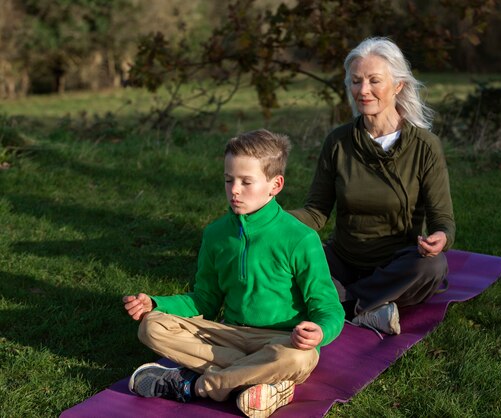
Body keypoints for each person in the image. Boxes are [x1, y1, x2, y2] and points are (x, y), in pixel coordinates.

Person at [122, 129, 344, 418]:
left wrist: (320, 331)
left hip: (281, 341)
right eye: (229, 180)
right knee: (152, 326)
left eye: (246, 182)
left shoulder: (300, 239)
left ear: (275, 185)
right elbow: (204, 301)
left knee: (302, 357)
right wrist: (156, 303)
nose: (234, 190)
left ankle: (195, 385)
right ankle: (258, 380)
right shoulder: (216, 235)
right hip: (228, 334)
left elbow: (328, 309)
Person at [289, 37, 455, 337]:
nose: (362, 90)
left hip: (397, 265)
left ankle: (341, 305)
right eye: (355, 81)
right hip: (343, 260)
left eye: (374, 80)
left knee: (432, 267)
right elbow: (316, 213)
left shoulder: (425, 146)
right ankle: (367, 308)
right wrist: (271, 218)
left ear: (398, 86)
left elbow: (442, 219)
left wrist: (441, 237)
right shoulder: (338, 142)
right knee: (294, 259)